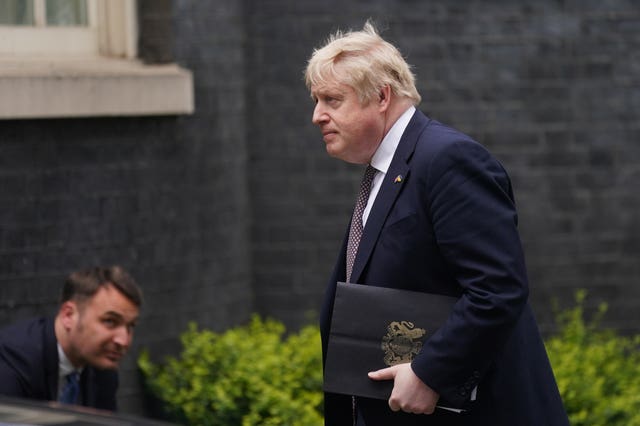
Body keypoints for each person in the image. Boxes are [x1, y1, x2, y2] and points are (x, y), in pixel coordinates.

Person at [305, 22, 569, 426]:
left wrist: (431, 371)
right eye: (316, 100)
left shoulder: (448, 160)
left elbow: (497, 289)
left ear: (381, 96)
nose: (317, 116)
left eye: (331, 100)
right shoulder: (386, 169)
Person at [0, 266, 142, 411]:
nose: (123, 341)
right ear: (68, 315)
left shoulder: (103, 368)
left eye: (130, 326)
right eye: (110, 321)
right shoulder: (13, 360)